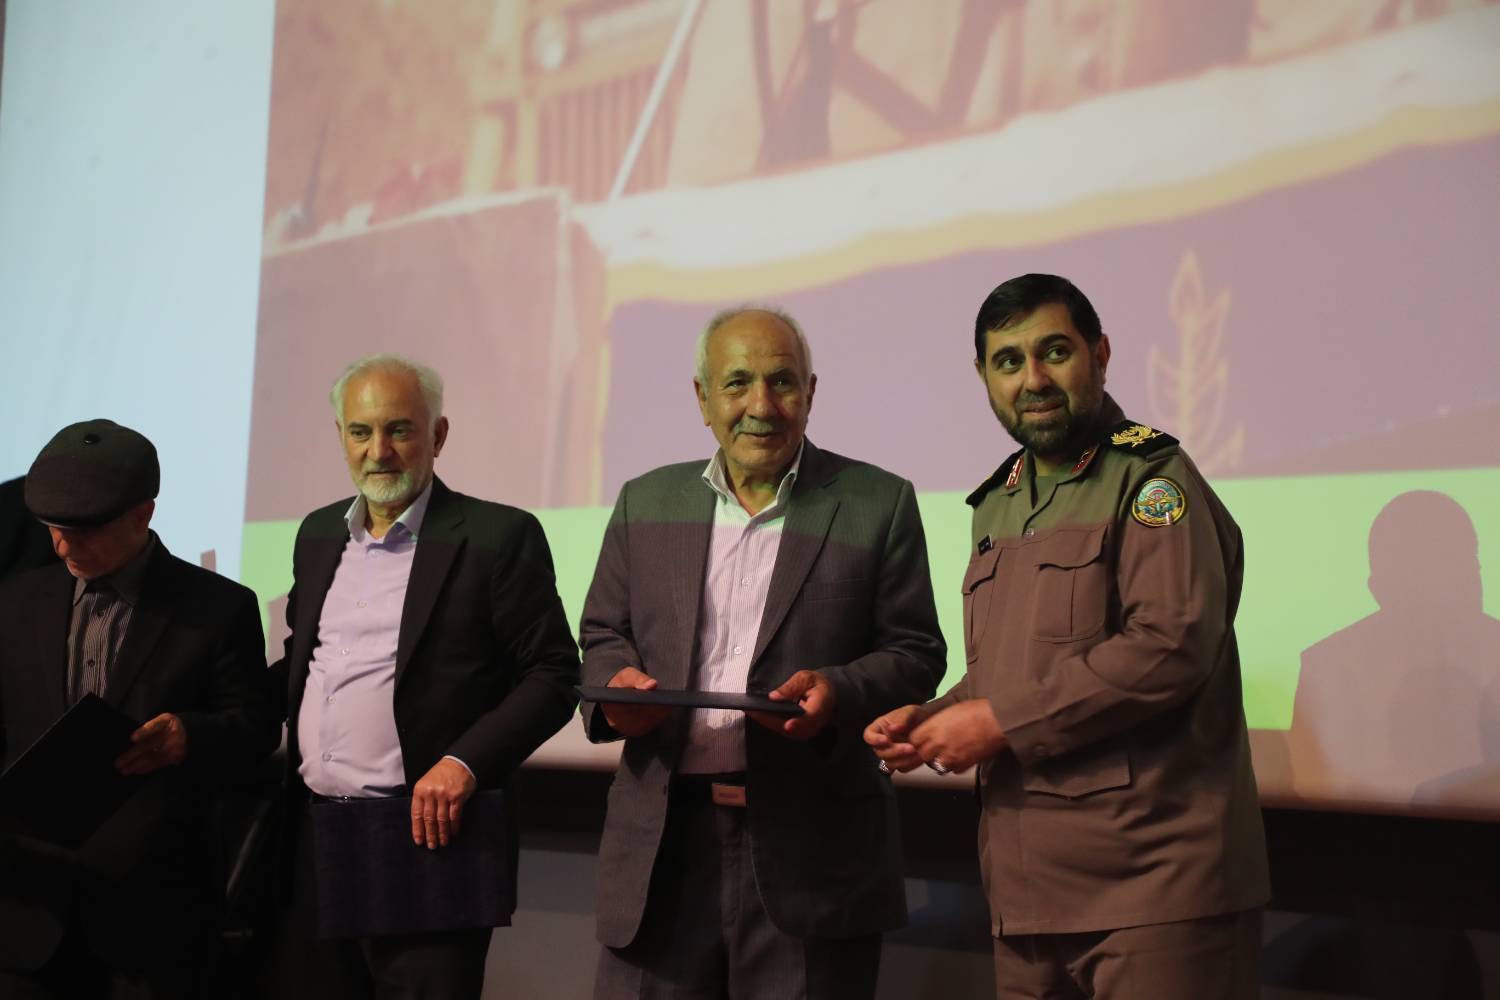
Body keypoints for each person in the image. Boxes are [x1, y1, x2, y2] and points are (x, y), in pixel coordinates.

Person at [866, 274, 1270, 999]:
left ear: (1100, 354)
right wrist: (932, 720)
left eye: (1054, 352)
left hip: (1155, 893)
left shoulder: (1153, 480)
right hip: (1026, 897)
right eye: (1009, 361)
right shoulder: (996, 503)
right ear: (984, 377)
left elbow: (1169, 645)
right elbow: (1015, 668)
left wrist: (996, 722)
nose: (1034, 379)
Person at [580, 307, 947, 1000]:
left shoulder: (878, 502)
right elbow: (602, 635)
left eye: (781, 382)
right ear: (703, 399)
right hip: (659, 850)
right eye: (737, 383)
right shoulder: (645, 501)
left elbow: (916, 651)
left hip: (814, 850)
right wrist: (613, 694)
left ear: (810, 392)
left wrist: (839, 692)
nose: (761, 405)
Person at [265, 354, 580, 999]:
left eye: (399, 430)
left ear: (437, 435)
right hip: (317, 836)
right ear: (341, 436)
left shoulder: (499, 535)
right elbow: (306, 661)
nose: (378, 451)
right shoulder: (318, 533)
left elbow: (553, 675)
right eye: (361, 432)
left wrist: (465, 763)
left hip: (431, 840)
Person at [0, 419, 278, 998]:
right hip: (29, 912)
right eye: (54, 530)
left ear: (143, 514)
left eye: (85, 531)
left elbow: (255, 730)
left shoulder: (218, 608)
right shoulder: (16, 602)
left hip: (153, 918)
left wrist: (190, 737)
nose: (64, 547)